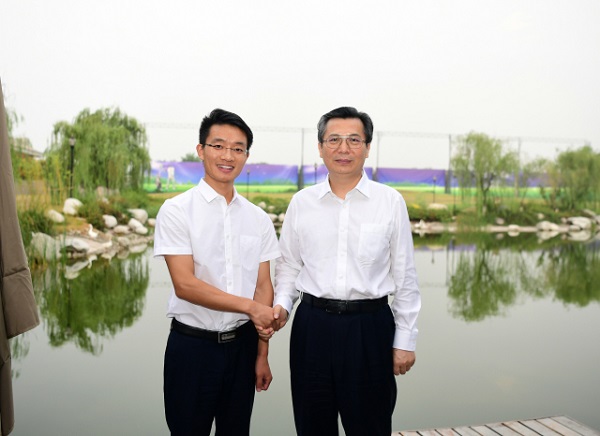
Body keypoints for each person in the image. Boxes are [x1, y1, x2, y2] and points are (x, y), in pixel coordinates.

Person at [273, 106, 421, 436]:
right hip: (312, 327)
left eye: (354, 140)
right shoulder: (302, 203)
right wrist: (282, 305)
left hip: (369, 329)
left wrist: (405, 340)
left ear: (367, 147)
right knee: (312, 425)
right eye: (334, 139)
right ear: (320, 147)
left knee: (370, 425)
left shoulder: (389, 202)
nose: (344, 148)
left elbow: (405, 276)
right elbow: (289, 266)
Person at [154, 108, 280, 435]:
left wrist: (262, 353)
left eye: (238, 148)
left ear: (246, 156)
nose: (228, 156)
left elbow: (263, 287)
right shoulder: (177, 211)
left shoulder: (258, 219)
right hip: (192, 349)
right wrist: (251, 308)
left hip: (243, 348)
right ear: (201, 150)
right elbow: (185, 285)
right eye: (218, 146)